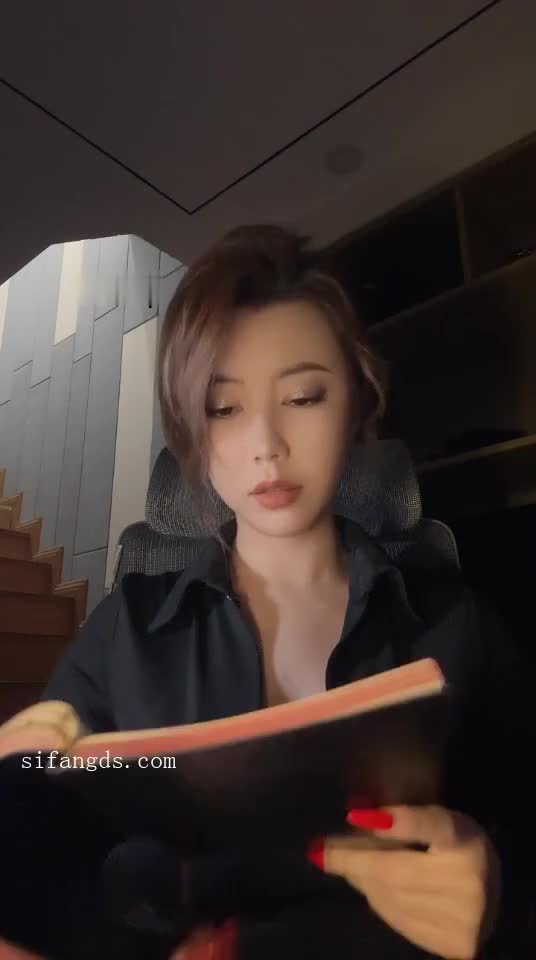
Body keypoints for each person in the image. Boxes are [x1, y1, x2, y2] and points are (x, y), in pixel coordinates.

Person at [0, 225, 533, 960]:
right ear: (192, 430)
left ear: (357, 405)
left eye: (304, 396)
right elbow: (45, 837)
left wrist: (501, 891)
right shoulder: (126, 631)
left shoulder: (455, 625)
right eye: (224, 408)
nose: (266, 444)